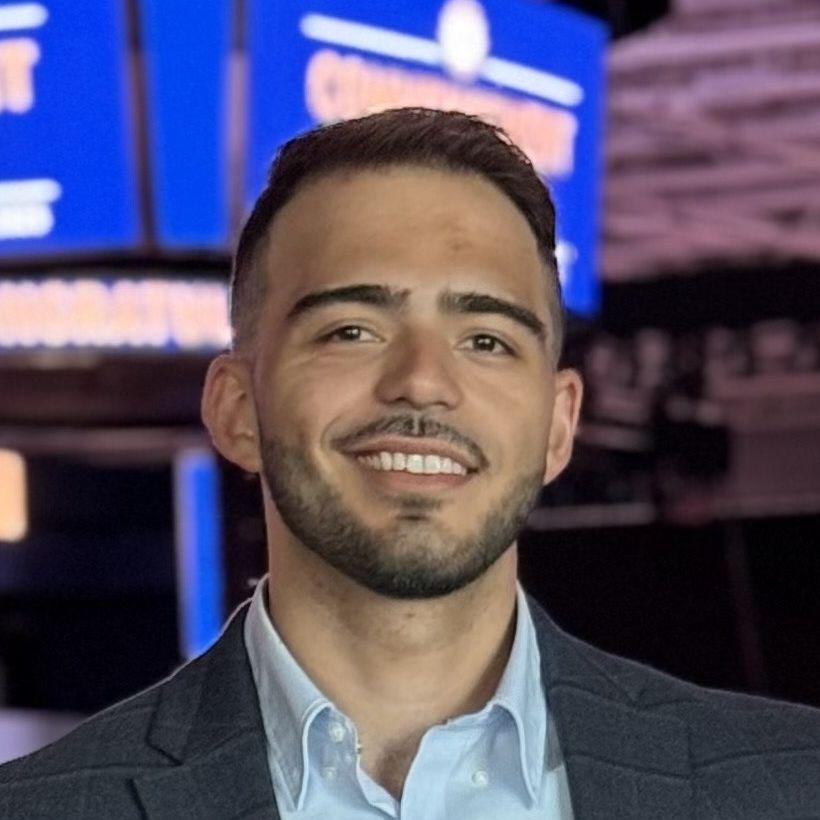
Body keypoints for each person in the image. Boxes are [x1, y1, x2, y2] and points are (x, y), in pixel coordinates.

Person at [1, 108, 819, 819]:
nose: (423, 381)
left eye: (487, 340)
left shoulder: (791, 787)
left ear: (558, 425)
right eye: (351, 331)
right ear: (236, 409)